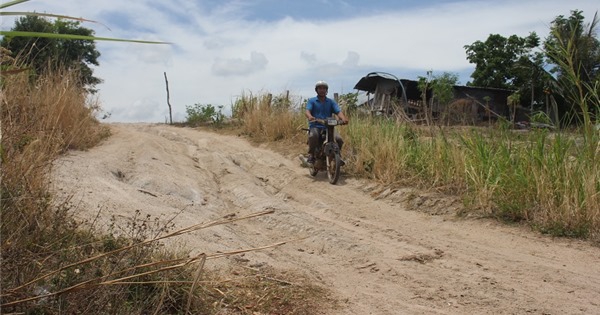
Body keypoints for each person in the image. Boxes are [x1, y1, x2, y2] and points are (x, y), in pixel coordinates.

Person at [305, 80, 349, 165]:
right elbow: (307, 111)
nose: (322, 90)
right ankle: (311, 155)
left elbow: (338, 111)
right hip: (316, 125)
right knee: (313, 136)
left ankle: (337, 156)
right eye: (320, 88)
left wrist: (343, 119)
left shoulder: (331, 102)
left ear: (326, 90)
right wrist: (310, 116)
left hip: (328, 126)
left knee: (339, 139)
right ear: (316, 90)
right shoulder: (312, 101)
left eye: (324, 88)